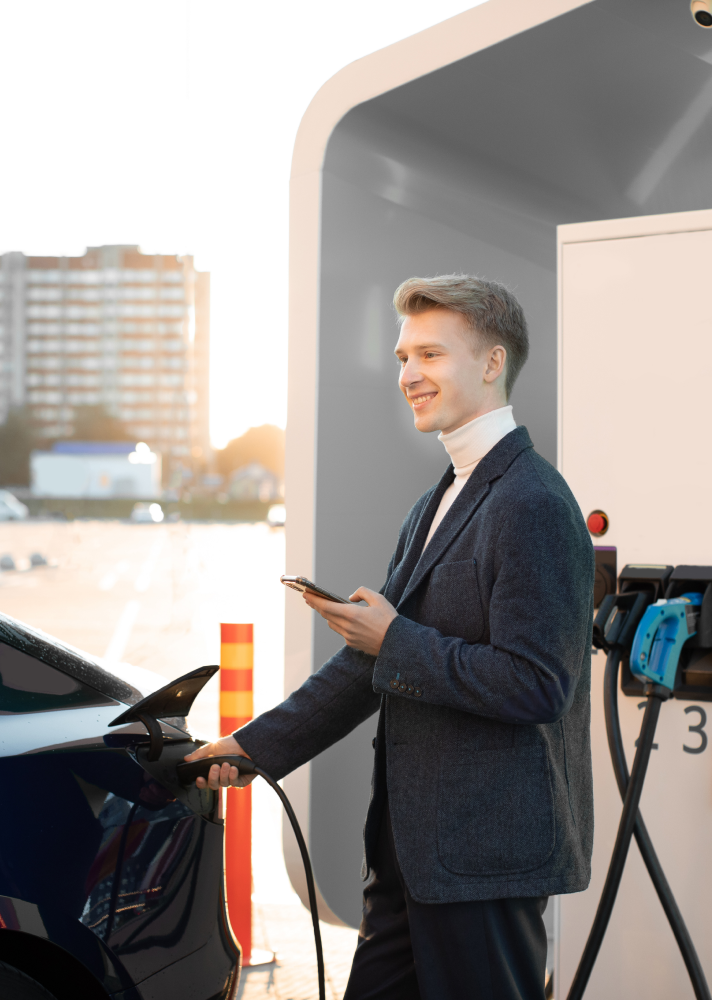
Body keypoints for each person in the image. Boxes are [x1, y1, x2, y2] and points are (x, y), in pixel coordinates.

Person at [186, 274, 594, 999]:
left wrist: (396, 640)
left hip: (483, 859)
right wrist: (251, 748)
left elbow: (539, 684)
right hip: (414, 855)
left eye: (431, 355)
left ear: (492, 364)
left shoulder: (530, 501)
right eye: (405, 358)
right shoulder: (440, 498)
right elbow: (366, 666)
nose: (408, 376)